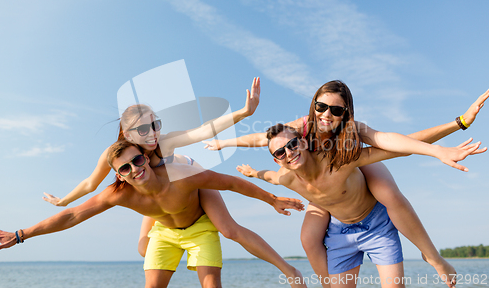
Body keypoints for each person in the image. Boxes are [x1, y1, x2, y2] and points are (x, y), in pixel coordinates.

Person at [205, 82, 489, 287]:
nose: (326, 115)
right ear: (313, 106)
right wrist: (227, 145)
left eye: (335, 110)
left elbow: (395, 143)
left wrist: (456, 127)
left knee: (387, 193)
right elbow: (262, 141)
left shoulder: (353, 135)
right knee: (308, 237)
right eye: (320, 107)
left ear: (347, 113)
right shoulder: (301, 131)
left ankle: (432, 257)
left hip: (351, 166)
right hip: (322, 187)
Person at [42, 78, 305, 284]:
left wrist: (244, 113)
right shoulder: (118, 155)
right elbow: (91, 183)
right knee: (145, 245)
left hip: (190, 177)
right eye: (144, 129)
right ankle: (153, 233)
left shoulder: (163, 142)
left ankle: (289, 270)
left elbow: (203, 130)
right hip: (160, 193)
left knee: (228, 229)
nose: (153, 133)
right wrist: (64, 200)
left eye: (155, 124)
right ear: (127, 133)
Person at [0, 140, 305, 288]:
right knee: (149, 269)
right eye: (124, 168)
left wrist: (272, 199)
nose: (133, 169)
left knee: (227, 237)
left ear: (146, 157)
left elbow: (231, 182)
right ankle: (149, 227)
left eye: (137, 161)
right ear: (119, 175)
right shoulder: (118, 193)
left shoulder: (182, 175)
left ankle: (289, 270)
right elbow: (73, 216)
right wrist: (20, 235)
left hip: (198, 222)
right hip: (165, 231)